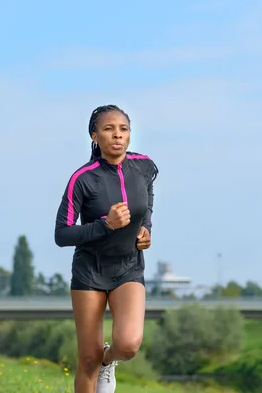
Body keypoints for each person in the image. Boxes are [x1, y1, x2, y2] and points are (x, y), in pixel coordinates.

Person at [54, 104, 158, 393]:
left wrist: (146, 226)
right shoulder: (82, 178)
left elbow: (147, 197)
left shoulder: (145, 165)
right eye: (109, 129)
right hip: (90, 271)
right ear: (94, 136)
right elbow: (62, 234)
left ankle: (108, 360)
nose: (117, 135)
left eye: (123, 129)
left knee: (128, 344)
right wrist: (105, 225)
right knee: (87, 359)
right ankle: (98, 363)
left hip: (128, 267)